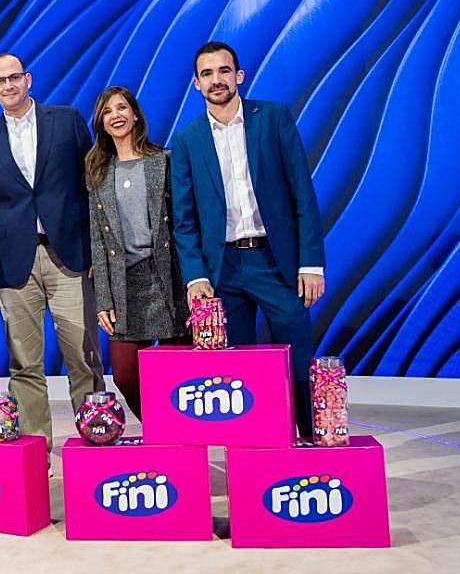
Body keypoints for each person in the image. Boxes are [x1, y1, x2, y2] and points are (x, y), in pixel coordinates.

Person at [170, 41, 325, 438]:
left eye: (224, 71)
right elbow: (184, 219)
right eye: (207, 73)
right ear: (195, 84)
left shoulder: (272, 119)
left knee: (298, 360)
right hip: (223, 269)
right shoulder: (187, 141)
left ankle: (309, 440)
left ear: (239, 76)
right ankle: (256, 450)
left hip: (276, 262)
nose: (216, 79)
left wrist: (311, 263)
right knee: (239, 370)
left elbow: (301, 195)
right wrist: (195, 275)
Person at [0, 53, 105, 450]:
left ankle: (95, 442)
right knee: (25, 364)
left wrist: (98, 251)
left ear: (28, 79)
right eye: (0, 82)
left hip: (71, 257)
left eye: (14, 78)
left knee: (83, 357)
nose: (9, 86)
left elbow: (92, 189)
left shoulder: (66, 121)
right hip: (13, 266)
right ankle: (35, 454)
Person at [86, 86, 189, 421]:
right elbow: (98, 241)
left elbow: (186, 225)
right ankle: (161, 426)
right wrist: (103, 298)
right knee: (126, 374)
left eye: (122, 108)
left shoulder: (164, 160)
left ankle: (177, 438)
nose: (116, 115)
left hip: (167, 277)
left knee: (176, 373)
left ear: (134, 115)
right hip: (124, 283)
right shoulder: (97, 172)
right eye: (107, 111)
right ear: (101, 123)